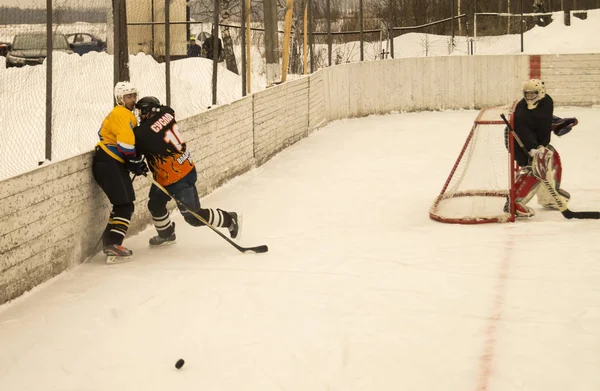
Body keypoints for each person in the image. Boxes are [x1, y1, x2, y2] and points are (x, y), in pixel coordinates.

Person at [133, 96, 240, 246]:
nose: (140, 115)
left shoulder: (143, 133)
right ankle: (167, 234)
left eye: (143, 111)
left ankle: (230, 219)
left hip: (180, 176)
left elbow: (135, 146)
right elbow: (165, 112)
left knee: (193, 217)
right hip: (167, 175)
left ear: (152, 110)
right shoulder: (167, 113)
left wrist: (134, 163)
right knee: (155, 205)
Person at [92, 81, 148, 260]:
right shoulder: (121, 113)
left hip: (111, 162)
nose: (132, 100)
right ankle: (113, 244)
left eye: (133, 96)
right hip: (108, 162)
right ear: (119, 99)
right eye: (128, 96)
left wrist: (134, 160)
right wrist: (133, 160)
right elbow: (125, 143)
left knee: (125, 204)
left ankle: (110, 242)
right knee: (125, 204)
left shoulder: (124, 114)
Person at [508, 78, 576, 217]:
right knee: (536, 167)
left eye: (532, 94)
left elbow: (541, 118)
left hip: (538, 142)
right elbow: (524, 133)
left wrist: (558, 123)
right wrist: (533, 150)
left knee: (553, 158)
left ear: (541, 93)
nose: (529, 97)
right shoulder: (522, 112)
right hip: (517, 140)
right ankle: (515, 203)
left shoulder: (547, 101)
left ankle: (549, 198)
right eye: (526, 94)